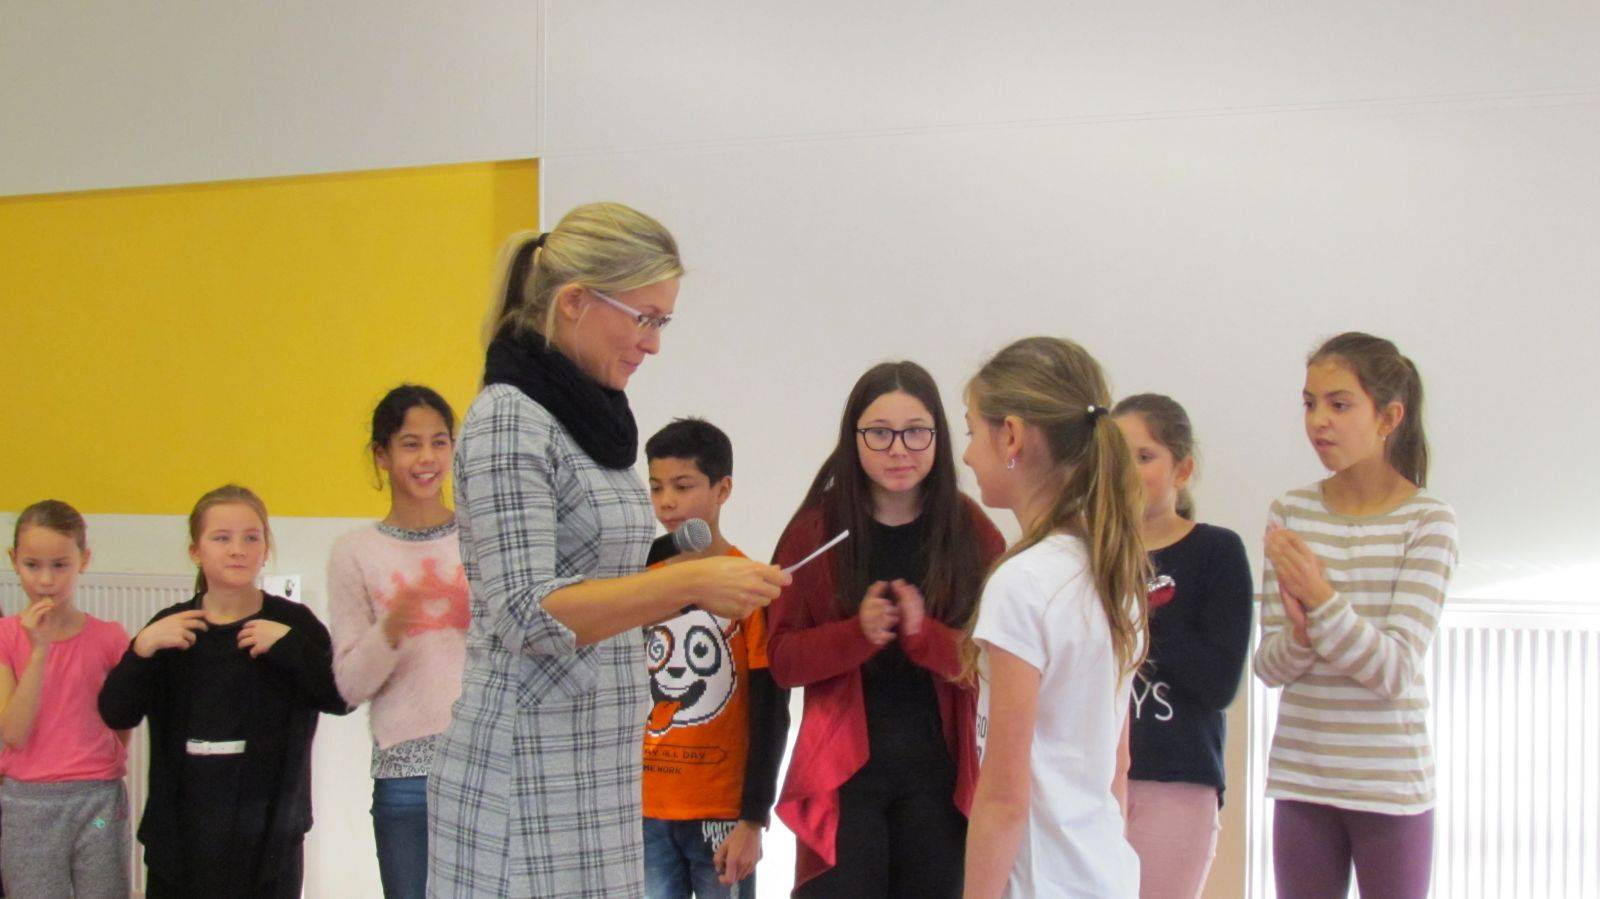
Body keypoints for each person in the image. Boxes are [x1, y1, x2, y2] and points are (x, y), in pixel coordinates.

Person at [427, 203, 790, 898]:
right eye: (644, 318)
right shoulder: (508, 419)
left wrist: (690, 577)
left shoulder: (588, 416)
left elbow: (602, 581)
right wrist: (687, 585)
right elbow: (527, 613)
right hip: (526, 770)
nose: (653, 345)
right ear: (573, 302)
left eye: (663, 323)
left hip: (596, 762)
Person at [767, 361, 1005, 898]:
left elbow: (997, 665)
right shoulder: (816, 530)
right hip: (842, 779)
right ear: (853, 438)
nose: (899, 450)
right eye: (879, 433)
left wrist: (926, 637)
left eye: (916, 432)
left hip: (942, 779)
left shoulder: (971, 530)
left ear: (940, 436)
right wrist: (856, 634)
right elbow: (781, 660)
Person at [1251, 332, 1457, 899]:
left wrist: (1319, 600)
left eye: (1339, 405)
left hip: (1390, 786)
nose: (1318, 420)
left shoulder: (1429, 521)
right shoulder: (1291, 511)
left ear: (1388, 417)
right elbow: (1269, 666)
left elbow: (1393, 670)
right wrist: (1301, 635)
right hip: (1302, 779)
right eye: (1309, 403)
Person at [960, 337, 1147, 898]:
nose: (967, 455)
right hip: (1104, 876)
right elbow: (1117, 766)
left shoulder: (1023, 584)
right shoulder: (1112, 570)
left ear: (1011, 436)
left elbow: (1003, 798)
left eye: (971, 432)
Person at [98, 484, 349, 898]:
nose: (238, 550)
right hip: (180, 837)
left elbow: (342, 697)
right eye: (221, 538)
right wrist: (141, 649)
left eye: (251, 537)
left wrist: (290, 647)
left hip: (269, 839)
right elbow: (116, 713)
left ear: (266, 548)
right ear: (196, 551)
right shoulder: (170, 627)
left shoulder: (293, 623)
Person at [327, 385, 467, 899]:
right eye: (410, 444)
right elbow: (349, 686)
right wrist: (390, 630)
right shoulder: (354, 552)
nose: (427, 457)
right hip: (404, 775)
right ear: (381, 455)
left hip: (486, 765)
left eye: (439, 441)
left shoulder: (482, 539)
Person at [640, 418, 788, 898]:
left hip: (721, 814)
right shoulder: (637, 580)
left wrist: (753, 819)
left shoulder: (749, 586)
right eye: (656, 486)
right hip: (644, 809)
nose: (667, 501)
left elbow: (771, 711)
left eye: (683, 486)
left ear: (723, 489)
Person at [1112, 394, 1253, 899]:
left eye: (1144, 456)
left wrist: (1142, 623)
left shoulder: (1216, 551)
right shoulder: (1089, 553)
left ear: (1183, 469)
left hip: (1176, 779)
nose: (1127, 472)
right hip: (1093, 778)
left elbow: (1219, 682)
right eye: (1117, 457)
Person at [1, 500, 130, 899]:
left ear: (83, 561)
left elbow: (122, 719)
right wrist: (39, 649)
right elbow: (13, 733)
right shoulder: (5, 637)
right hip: (27, 804)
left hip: (98, 801)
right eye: (32, 565)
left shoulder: (109, 637)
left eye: (60, 565)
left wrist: (103, 760)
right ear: (14, 560)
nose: (46, 580)